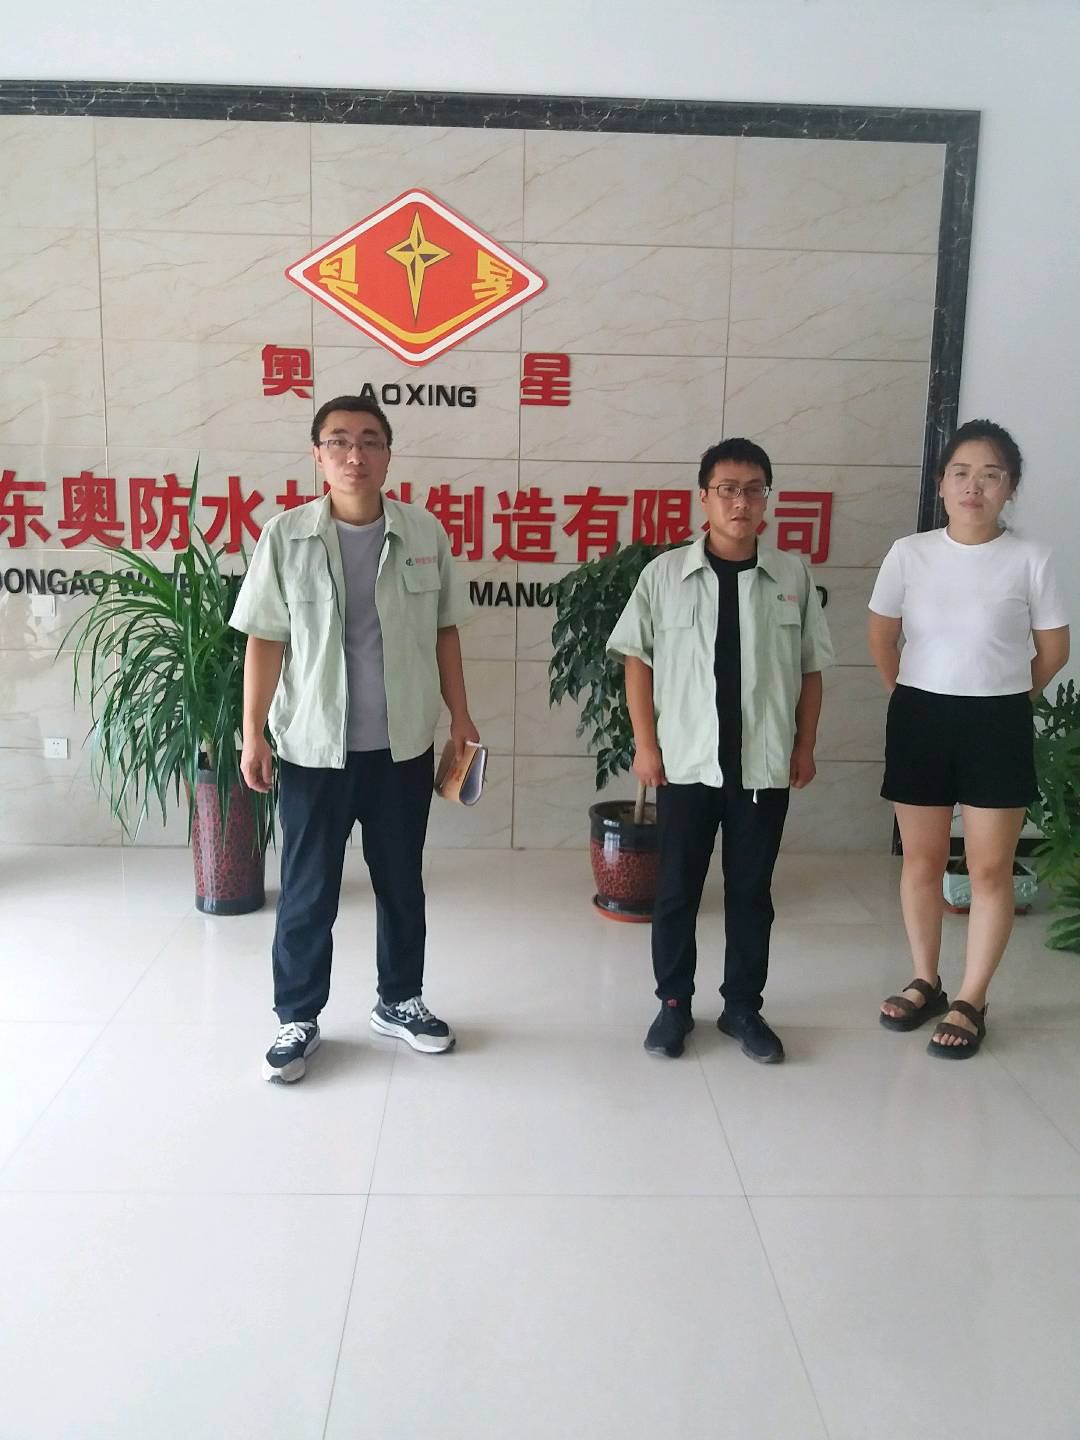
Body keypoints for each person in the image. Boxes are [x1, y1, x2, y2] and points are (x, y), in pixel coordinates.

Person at [230, 395, 478, 1082]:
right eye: (338, 441)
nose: (354, 454)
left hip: (401, 748)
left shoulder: (424, 533)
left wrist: (461, 717)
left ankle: (399, 1001)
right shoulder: (285, 536)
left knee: (402, 883)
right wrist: (252, 734)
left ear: (388, 455)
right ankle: (297, 1016)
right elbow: (264, 640)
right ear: (318, 455)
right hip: (314, 750)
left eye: (370, 440)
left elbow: (445, 631)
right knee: (308, 890)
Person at [607, 438, 834, 1061]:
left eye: (754, 490)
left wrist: (806, 743)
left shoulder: (791, 575)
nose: (741, 502)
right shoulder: (664, 576)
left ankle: (742, 1008)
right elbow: (637, 662)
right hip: (686, 764)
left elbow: (811, 667)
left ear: (767, 499)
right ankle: (672, 1005)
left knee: (751, 893)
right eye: (728, 490)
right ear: (704, 498)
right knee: (676, 891)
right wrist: (646, 745)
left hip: (763, 765)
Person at [869, 419, 1070, 1058]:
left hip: (997, 722)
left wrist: (1011, 697)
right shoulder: (910, 552)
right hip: (920, 716)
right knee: (922, 861)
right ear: (941, 483)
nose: (973, 487)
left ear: (1010, 488)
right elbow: (882, 635)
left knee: (987, 868)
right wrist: (908, 692)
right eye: (961, 473)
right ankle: (925, 980)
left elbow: (1054, 649)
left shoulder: (1031, 559)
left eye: (990, 476)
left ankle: (972, 997)